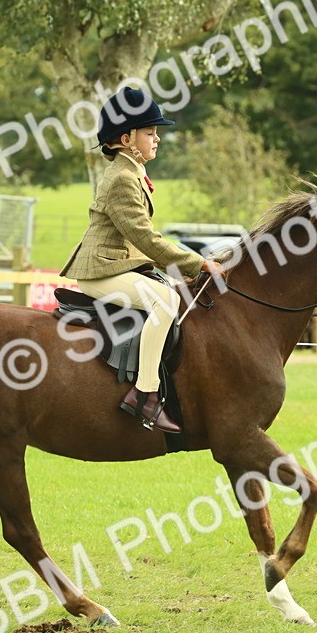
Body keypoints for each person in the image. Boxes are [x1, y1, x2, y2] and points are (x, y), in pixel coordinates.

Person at [60, 88, 223, 433]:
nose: (157, 139)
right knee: (166, 302)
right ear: (126, 138)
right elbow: (145, 238)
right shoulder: (121, 178)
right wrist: (198, 264)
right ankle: (145, 394)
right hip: (101, 270)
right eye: (150, 132)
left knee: (166, 293)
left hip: (116, 265)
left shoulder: (131, 173)